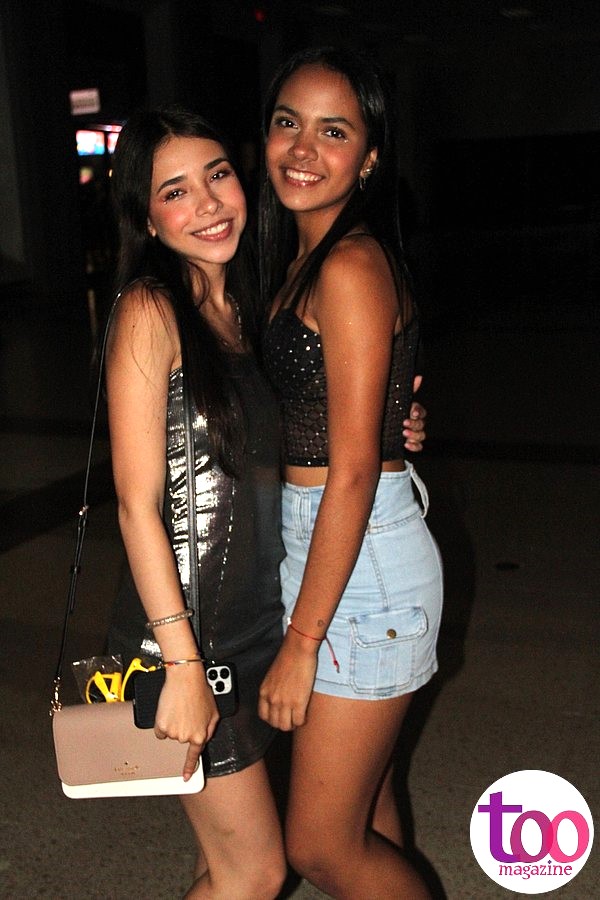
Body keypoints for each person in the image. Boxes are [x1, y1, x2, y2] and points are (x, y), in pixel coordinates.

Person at [258, 46, 443, 899]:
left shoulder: (348, 265)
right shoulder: (312, 257)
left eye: (333, 132)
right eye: (287, 122)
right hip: (339, 548)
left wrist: (301, 646)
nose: (303, 149)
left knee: (321, 848)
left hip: (360, 561)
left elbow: (355, 472)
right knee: (366, 810)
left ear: (368, 158)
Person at [105, 106, 287, 899]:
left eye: (217, 175)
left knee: (222, 862)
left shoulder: (241, 308)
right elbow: (135, 504)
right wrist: (180, 663)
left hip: (253, 624)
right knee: (257, 873)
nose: (209, 203)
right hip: (188, 639)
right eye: (175, 191)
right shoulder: (151, 309)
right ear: (146, 218)